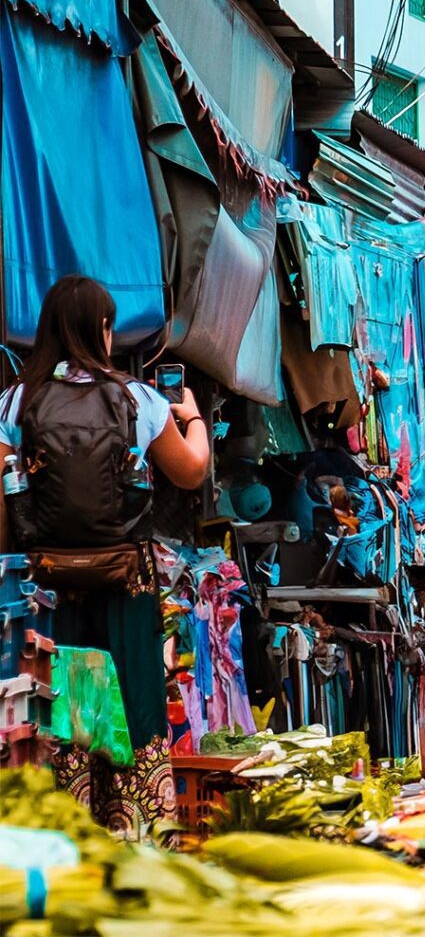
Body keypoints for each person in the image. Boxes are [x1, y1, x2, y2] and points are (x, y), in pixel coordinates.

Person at [0, 276, 209, 835]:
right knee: (135, 709)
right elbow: (190, 471)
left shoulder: (16, 401)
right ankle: (137, 837)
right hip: (125, 586)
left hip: (42, 594)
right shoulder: (138, 399)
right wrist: (193, 419)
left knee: (57, 714)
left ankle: (62, 840)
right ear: (104, 330)